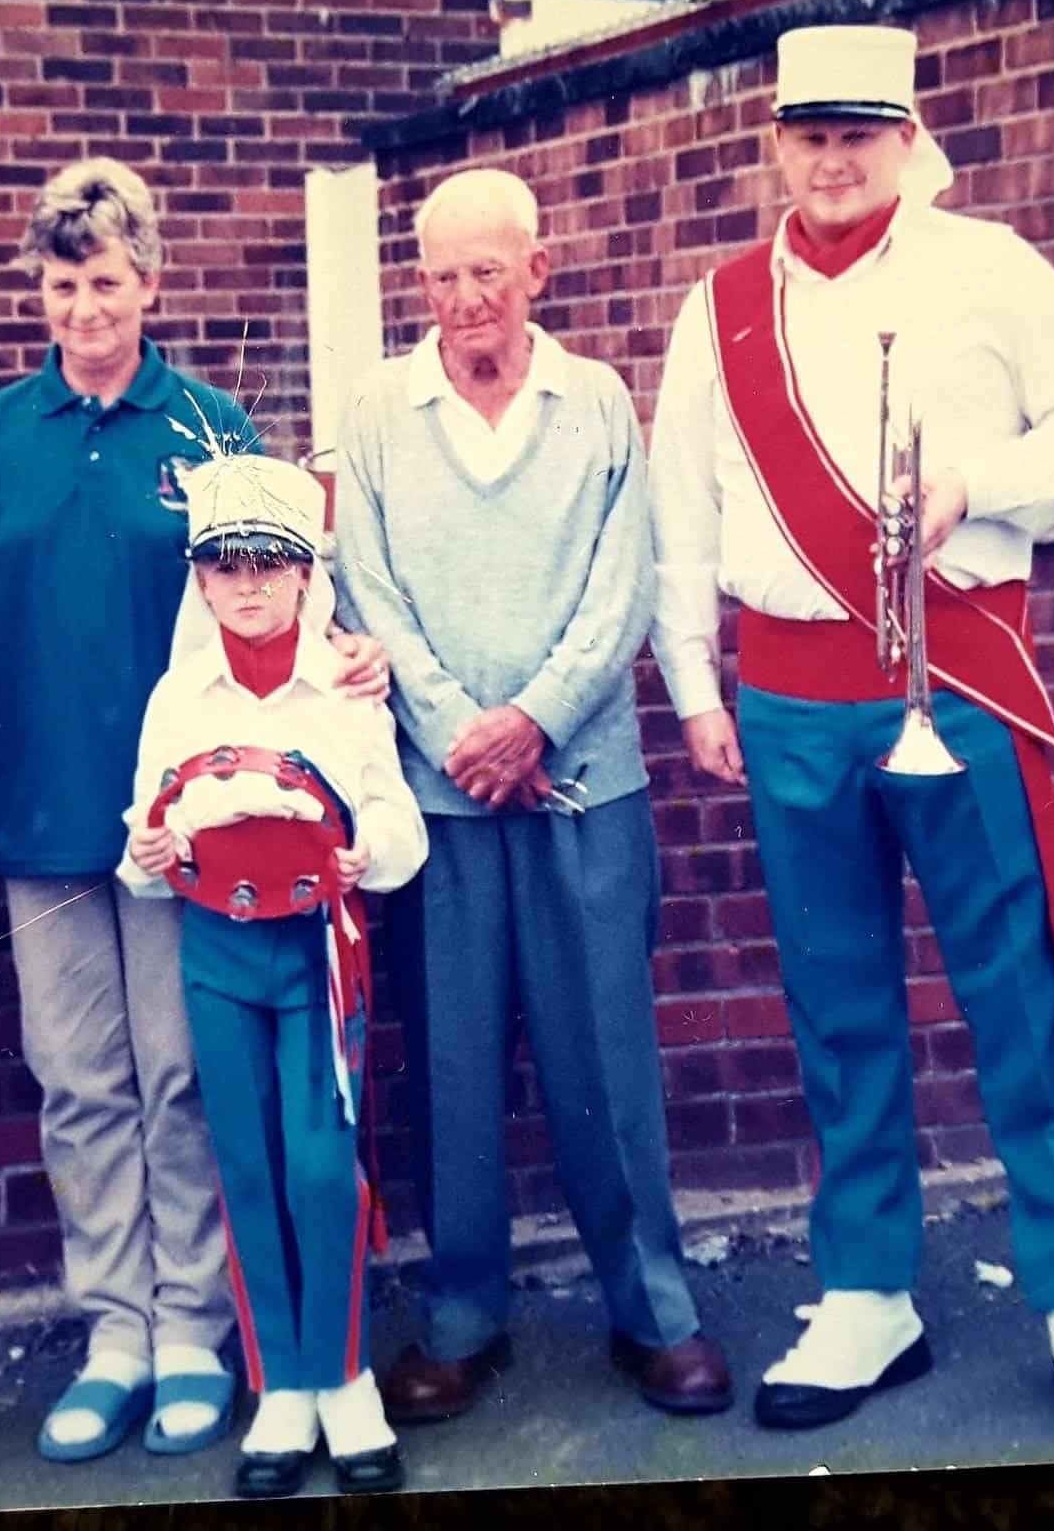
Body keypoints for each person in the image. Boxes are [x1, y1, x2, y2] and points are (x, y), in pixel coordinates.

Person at [647, 24, 1054, 1454]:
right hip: (789, 694)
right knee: (837, 1005)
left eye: (858, 133)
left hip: (965, 674)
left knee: (1016, 996)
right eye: (807, 134)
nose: (831, 158)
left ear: (907, 133)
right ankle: (868, 1288)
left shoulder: (987, 266)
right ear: (776, 144)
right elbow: (679, 509)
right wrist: (692, 684)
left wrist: (978, 482)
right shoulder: (720, 305)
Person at [0, 158, 388, 1464]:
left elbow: (279, 593)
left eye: (111, 281)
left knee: (182, 1077)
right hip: (38, 810)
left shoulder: (210, 425)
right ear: (43, 289)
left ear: (151, 284)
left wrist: (356, 659)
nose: (88, 306)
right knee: (79, 1084)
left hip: (196, 828)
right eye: (65, 282)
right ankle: (115, 1336)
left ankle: (193, 1330)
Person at [332, 167, 732, 1428]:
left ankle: (652, 1314)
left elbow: (626, 582)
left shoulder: (597, 402)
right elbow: (367, 591)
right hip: (441, 799)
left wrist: (534, 721)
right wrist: (459, 734)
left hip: (581, 786)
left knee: (606, 1056)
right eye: (441, 276)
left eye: (486, 272)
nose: (463, 299)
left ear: (536, 272)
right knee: (450, 1065)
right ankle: (460, 1320)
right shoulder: (376, 412)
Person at [118, 452, 427, 1498]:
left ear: (305, 575)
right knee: (243, 1163)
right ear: (197, 581)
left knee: (315, 1164)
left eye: (270, 564)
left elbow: (395, 821)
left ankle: (344, 1380)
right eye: (224, 566)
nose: (247, 586)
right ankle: (278, 1383)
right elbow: (143, 837)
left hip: (315, 951)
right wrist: (151, 858)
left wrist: (362, 856)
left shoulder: (342, 687)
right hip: (214, 952)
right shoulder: (177, 696)